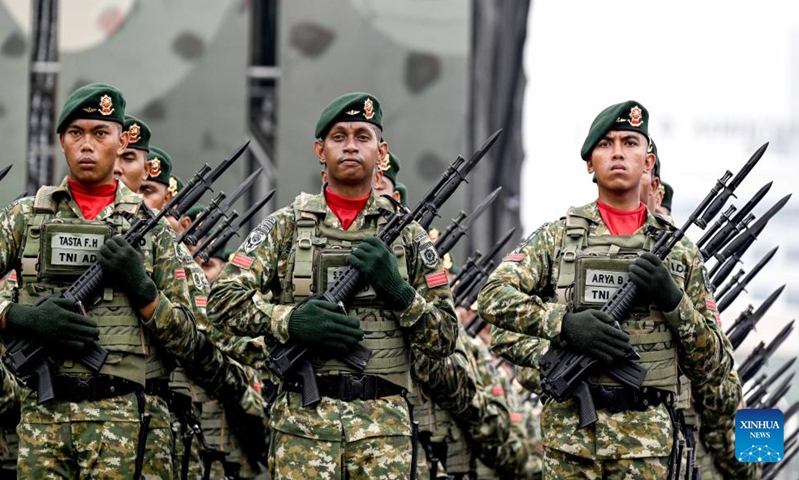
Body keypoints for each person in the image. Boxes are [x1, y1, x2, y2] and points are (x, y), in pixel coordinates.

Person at [208, 92, 458, 479]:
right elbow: (222, 303)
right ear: (320, 150)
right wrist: (289, 320)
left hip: (383, 431)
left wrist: (398, 291)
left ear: (382, 151)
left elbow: (445, 337)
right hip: (303, 428)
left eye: (362, 136)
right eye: (339, 137)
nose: (351, 146)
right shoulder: (286, 226)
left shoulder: (409, 237)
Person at [478, 100, 734, 477]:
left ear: (648, 162)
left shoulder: (680, 253)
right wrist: (563, 324)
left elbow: (715, 366)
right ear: (589, 164)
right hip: (570, 440)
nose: (617, 152)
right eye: (605, 144)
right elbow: (493, 297)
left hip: (645, 442)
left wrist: (674, 301)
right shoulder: (558, 238)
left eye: (630, 143)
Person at [0, 82, 202, 477]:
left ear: (121, 140)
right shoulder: (25, 218)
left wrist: (144, 291)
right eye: (76, 133)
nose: (87, 145)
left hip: (126, 424)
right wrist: (20, 317)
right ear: (61, 140)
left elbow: (194, 340)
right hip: (44, 422)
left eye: (100, 133)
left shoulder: (153, 228)